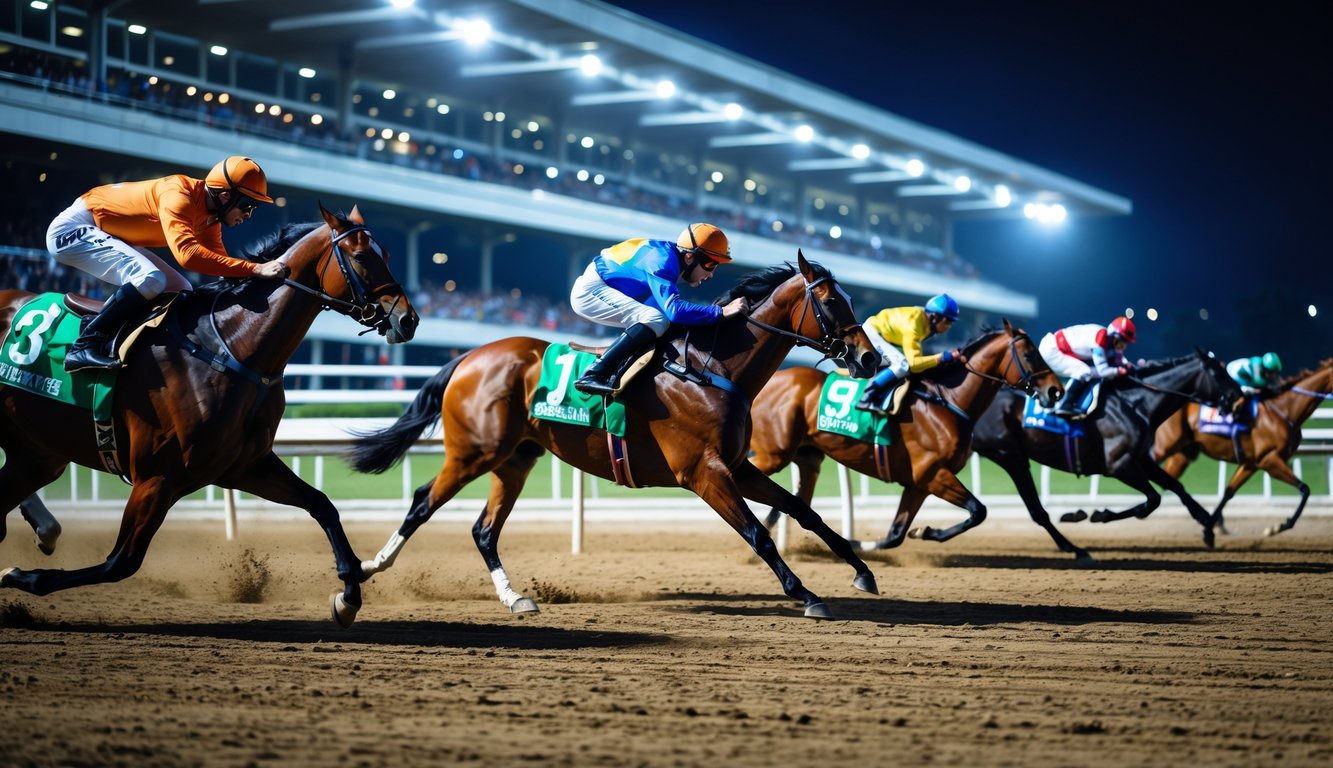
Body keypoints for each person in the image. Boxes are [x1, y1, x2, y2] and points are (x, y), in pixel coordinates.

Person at [45, 156, 289, 372]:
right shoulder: (179, 195)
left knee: (181, 288)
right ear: (226, 195)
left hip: (110, 233)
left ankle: (132, 345)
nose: (248, 215)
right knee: (150, 279)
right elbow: (188, 256)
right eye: (247, 206)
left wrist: (263, 281)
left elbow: (222, 267)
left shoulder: (209, 219)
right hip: (74, 228)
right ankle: (85, 343)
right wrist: (255, 268)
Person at [569, 223, 748, 395]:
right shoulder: (662, 262)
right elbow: (675, 311)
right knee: (656, 319)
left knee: (664, 323)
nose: (711, 274)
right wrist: (720, 312)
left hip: (617, 288)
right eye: (710, 265)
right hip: (591, 291)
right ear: (689, 257)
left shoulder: (670, 257)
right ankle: (594, 373)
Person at [854, 293, 965, 416]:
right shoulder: (914, 324)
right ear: (935, 317)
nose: (949, 327)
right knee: (903, 365)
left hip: (886, 337)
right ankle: (866, 397)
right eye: (948, 321)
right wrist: (942, 357)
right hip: (873, 334)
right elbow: (914, 364)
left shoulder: (925, 323)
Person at [1039, 315, 1136, 417]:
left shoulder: (1108, 339)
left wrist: (1126, 365)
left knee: (1091, 371)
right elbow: (1103, 371)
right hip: (1052, 351)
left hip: (1059, 348)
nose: (1123, 347)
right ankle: (1063, 404)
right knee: (1085, 371)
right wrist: (1119, 371)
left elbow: (1118, 360)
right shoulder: (1101, 339)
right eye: (1122, 342)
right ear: (1114, 337)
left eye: (1126, 343)